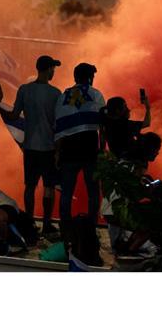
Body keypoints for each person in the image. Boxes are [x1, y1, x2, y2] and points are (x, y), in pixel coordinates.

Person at [3, 55, 62, 237]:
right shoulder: (55, 94)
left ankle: (29, 222)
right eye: (53, 68)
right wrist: (58, 150)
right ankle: (46, 223)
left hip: (29, 147)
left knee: (29, 185)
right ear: (48, 69)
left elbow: (13, 115)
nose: (54, 72)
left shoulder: (24, 90)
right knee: (49, 187)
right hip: (48, 148)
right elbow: (58, 124)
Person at [54, 62, 106, 240]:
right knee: (93, 191)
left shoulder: (63, 97)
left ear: (75, 77)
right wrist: (102, 149)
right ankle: (91, 226)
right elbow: (102, 125)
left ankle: (65, 229)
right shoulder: (95, 95)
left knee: (66, 192)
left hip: (68, 151)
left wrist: (58, 152)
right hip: (89, 149)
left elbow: (59, 127)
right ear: (90, 77)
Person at [102, 91, 152, 161]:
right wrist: (148, 108)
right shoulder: (125, 125)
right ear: (117, 111)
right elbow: (147, 123)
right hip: (130, 159)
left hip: (117, 159)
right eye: (124, 107)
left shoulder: (107, 123)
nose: (128, 109)